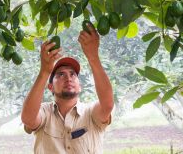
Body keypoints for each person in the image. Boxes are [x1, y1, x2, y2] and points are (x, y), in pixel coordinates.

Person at [21, 24, 114, 154]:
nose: (68, 78)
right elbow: (28, 119)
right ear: (50, 87)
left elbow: (108, 105)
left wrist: (93, 57)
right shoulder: (44, 112)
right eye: (61, 74)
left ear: (80, 86)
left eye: (72, 74)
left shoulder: (90, 113)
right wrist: (44, 71)